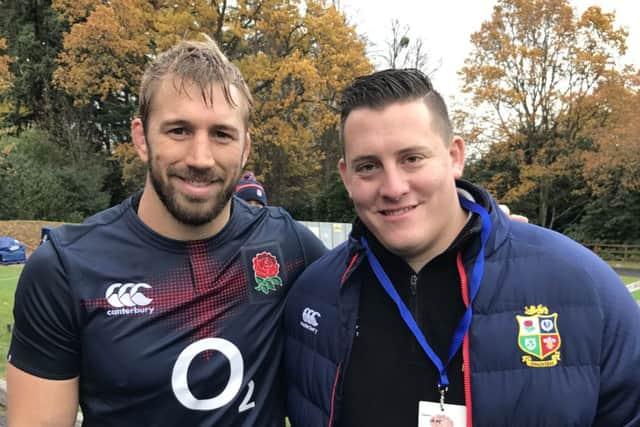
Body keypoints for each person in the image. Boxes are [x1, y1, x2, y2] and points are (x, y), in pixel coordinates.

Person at [283, 69, 640, 427]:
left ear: (454, 156)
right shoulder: (313, 296)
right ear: (346, 177)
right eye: (368, 166)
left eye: (412, 158)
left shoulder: (582, 284)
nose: (393, 187)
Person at [7, 39, 326, 427]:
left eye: (222, 134)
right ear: (141, 138)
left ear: (244, 149)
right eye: (178, 130)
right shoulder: (66, 269)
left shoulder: (285, 245)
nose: (200, 158)